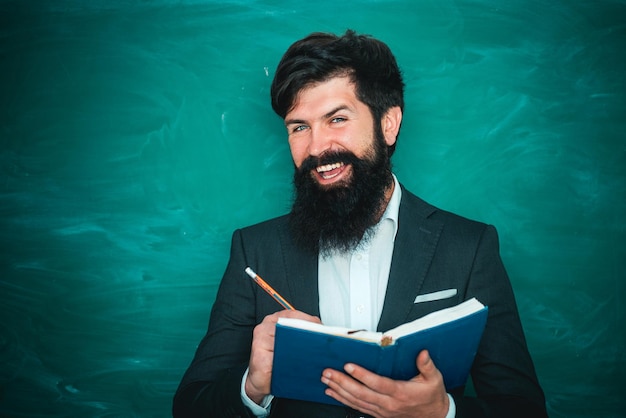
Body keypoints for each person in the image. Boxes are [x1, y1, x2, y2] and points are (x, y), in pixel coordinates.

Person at [173, 29, 548, 418]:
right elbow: (190, 408)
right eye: (299, 126)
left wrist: (443, 412)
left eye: (337, 119)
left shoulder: (469, 247)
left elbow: (524, 409)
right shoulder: (255, 250)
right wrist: (252, 385)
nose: (317, 147)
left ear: (389, 124)